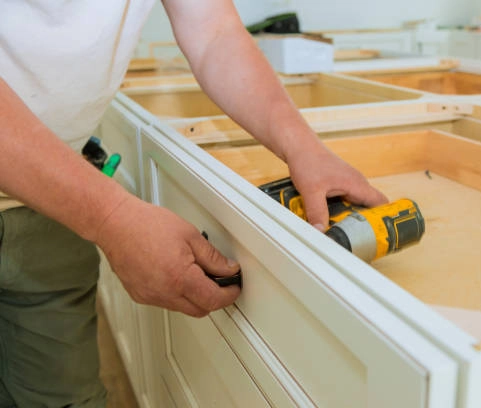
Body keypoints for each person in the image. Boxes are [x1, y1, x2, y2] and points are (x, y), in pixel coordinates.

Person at [0, 0, 387, 406]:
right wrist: (110, 216)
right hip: (76, 200)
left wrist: (302, 145)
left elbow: (214, 31)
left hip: (54, 204)